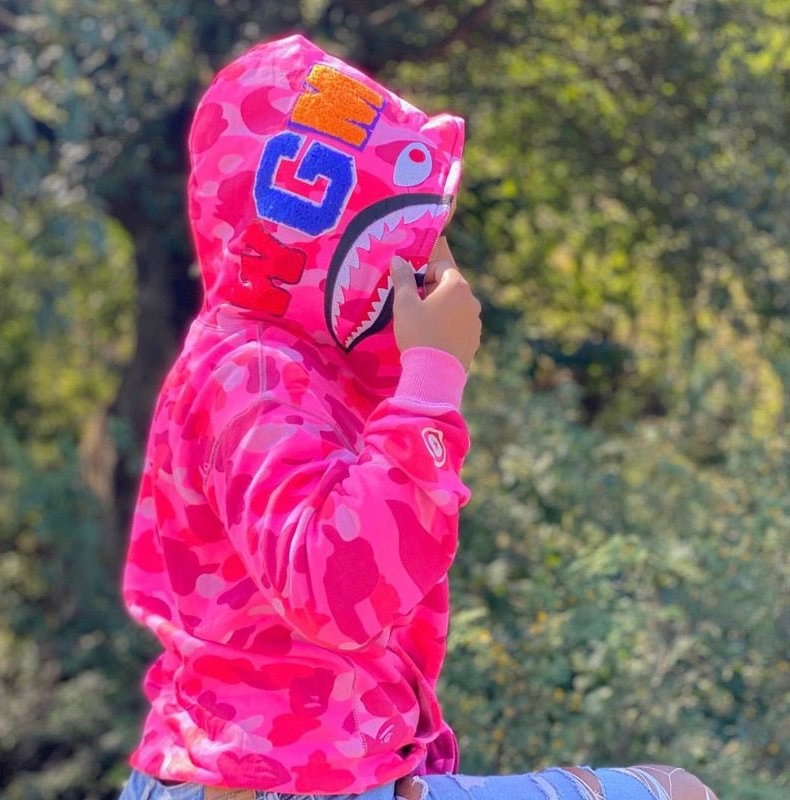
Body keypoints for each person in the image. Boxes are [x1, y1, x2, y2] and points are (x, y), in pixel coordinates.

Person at [119, 34, 718, 800]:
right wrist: (433, 377)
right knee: (675, 793)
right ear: (318, 251)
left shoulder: (293, 370)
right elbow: (340, 588)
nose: (429, 262)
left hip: (313, 775)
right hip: (274, 782)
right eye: (402, 240)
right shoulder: (253, 374)